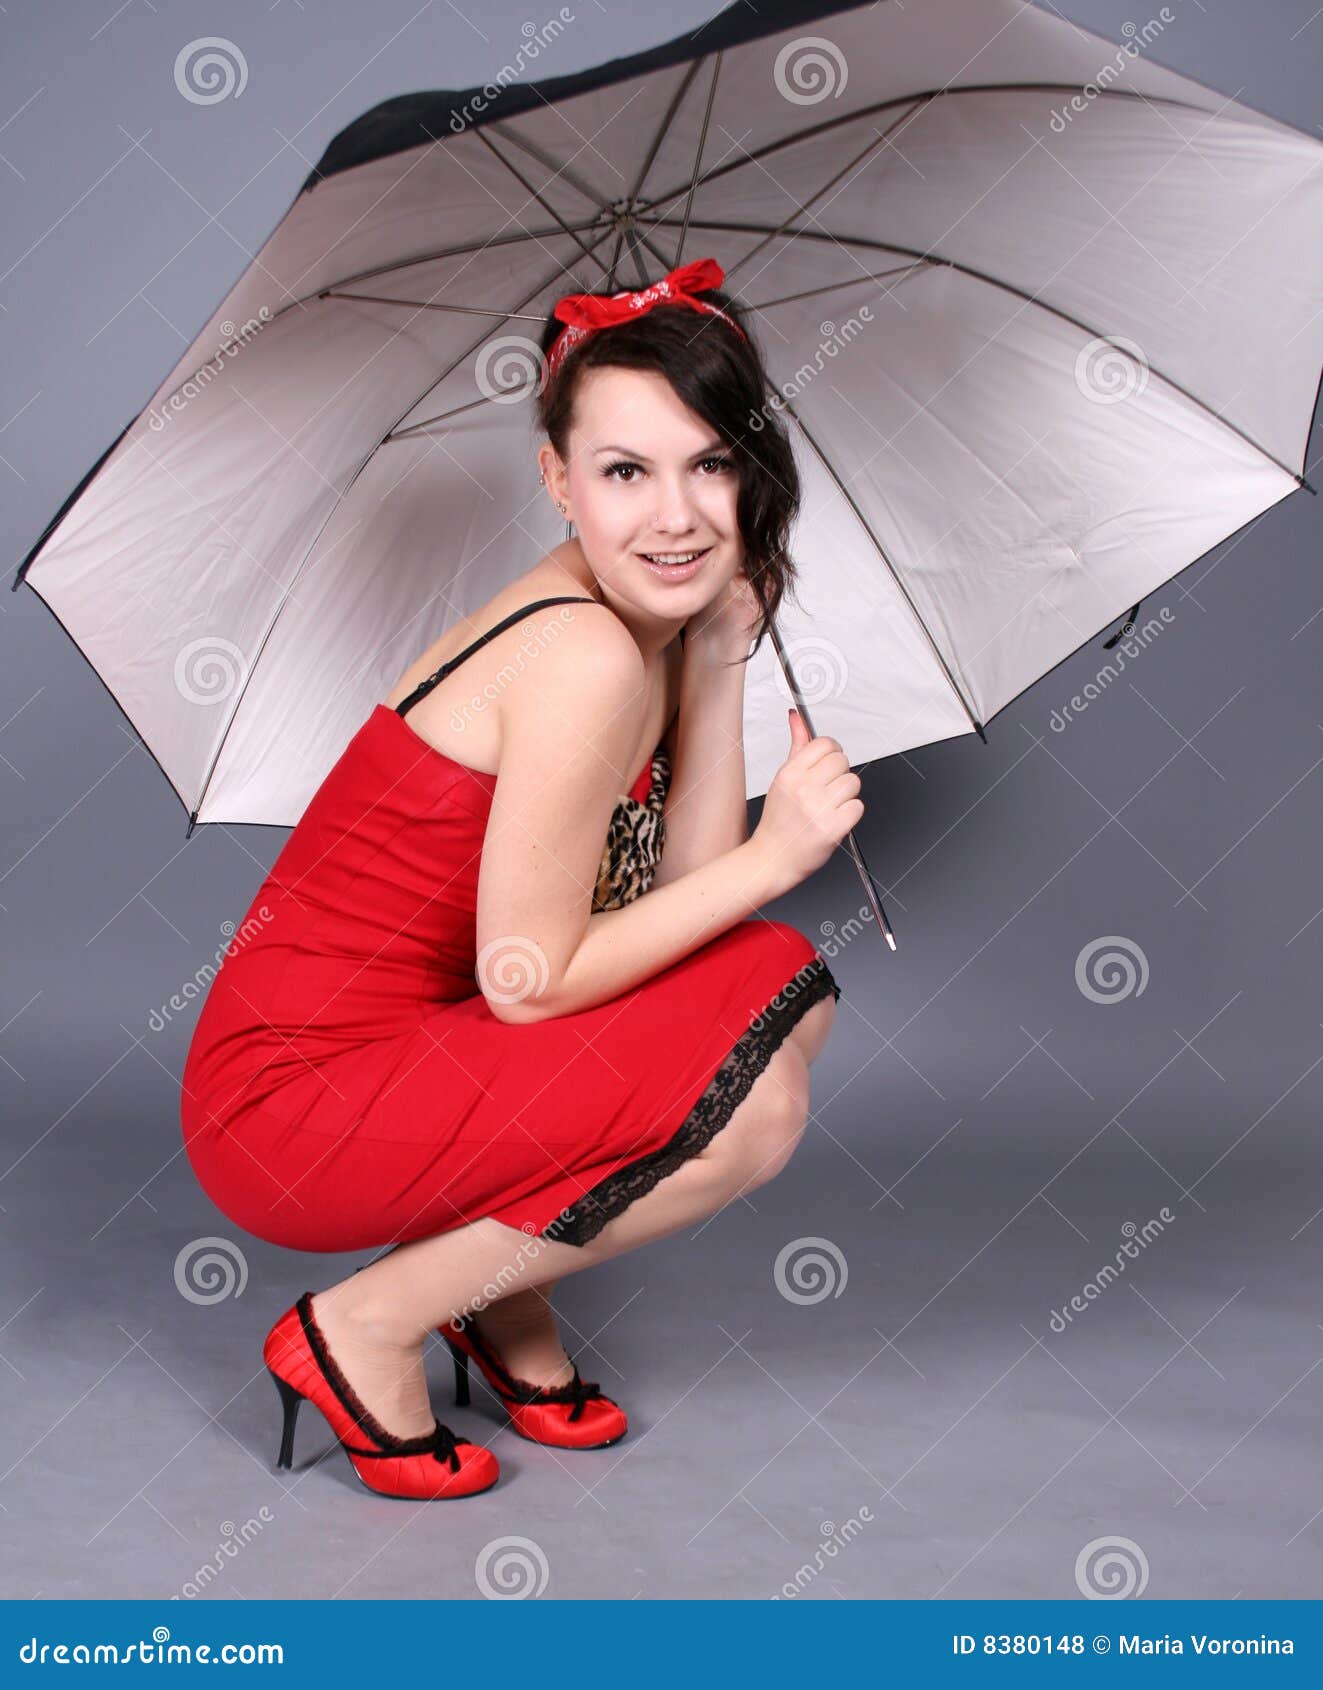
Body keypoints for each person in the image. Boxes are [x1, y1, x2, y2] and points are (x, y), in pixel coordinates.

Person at [180, 256, 863, 1500]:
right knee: (755, 1099)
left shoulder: (646, 632)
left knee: (774, 991)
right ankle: (364, 1326)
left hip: (417, 1049)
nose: (677, 516)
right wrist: (778, 854)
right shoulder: (583, 651)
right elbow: (536, 985)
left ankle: (494, 1300)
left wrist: (720, 664)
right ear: (559, 481)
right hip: (290, 1105)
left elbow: (682, 917)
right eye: (624, 472)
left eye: (710, 463)